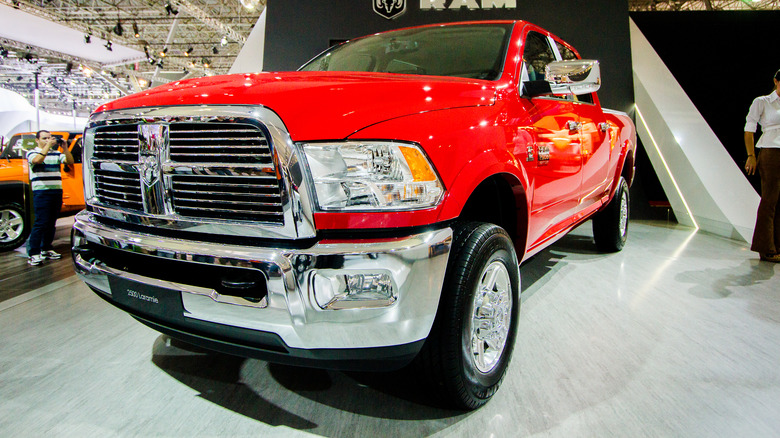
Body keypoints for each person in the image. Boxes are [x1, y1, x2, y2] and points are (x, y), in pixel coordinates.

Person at [744, 69, 780, 263]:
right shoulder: (762, 102)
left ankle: (777, 245)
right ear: (776, 81)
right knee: (770, 199)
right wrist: (751, 155)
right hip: (771, 152)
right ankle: (766, 248)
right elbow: (749, 129)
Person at [26, 131, 74, 266]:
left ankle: (46, 248)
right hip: (42, 192)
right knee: (41, 222)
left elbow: (69, 161)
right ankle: (34, 252)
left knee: (51, 222)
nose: (47, 140)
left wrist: (64, 148)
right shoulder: (32, 153)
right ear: (37, 140)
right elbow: (37, 160)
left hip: (56, 191)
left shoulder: (56, 153)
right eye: (44, 138)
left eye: (49, 138)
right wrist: (48, 146)